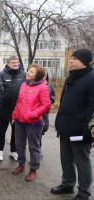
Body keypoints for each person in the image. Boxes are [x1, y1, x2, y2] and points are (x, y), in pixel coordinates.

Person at [51, 48, 94, 200]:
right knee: (66, 158)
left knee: (82, 161)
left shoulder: (91, 78)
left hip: (81, 130)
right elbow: (63, 102)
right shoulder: (71, 77)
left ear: (84, 61)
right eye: (71, 58)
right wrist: (58, 120)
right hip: (65, 127)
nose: (70, 61)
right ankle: (67, 184)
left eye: (74, 58)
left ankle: (84, 193)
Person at [11, 63, 51, 182]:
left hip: (34, 123)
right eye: (28, 70)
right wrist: (14, 115)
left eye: (31, 72)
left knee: (34, 147)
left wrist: (32, 115)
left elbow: (46, 105)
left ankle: (33, 169)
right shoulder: (24, 84)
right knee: (19, 145)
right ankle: (21, 164)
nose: (28, 73)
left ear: (37, 75)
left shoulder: (42, 87)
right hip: (19, 121)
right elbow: (19, 102)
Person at [0, 56, 26, 161]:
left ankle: (13, 151)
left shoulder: (23, 75)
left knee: (16, 132)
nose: (15, 64)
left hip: (17, 110)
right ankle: (0, 151)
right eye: (13, 62)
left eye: (17, 62)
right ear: (8, 63)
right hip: (3, 109)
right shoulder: (1, 75)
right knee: (1, 132)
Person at [40, 70, 55, 158]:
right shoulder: (34, 84)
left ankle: (38, 150)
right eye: (42, 74)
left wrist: (51, 101)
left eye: (45, 75)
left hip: (45, 113)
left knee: (41, 132)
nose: (44, 76)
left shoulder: (49, 85)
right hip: (36, 111)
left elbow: (53, 95)